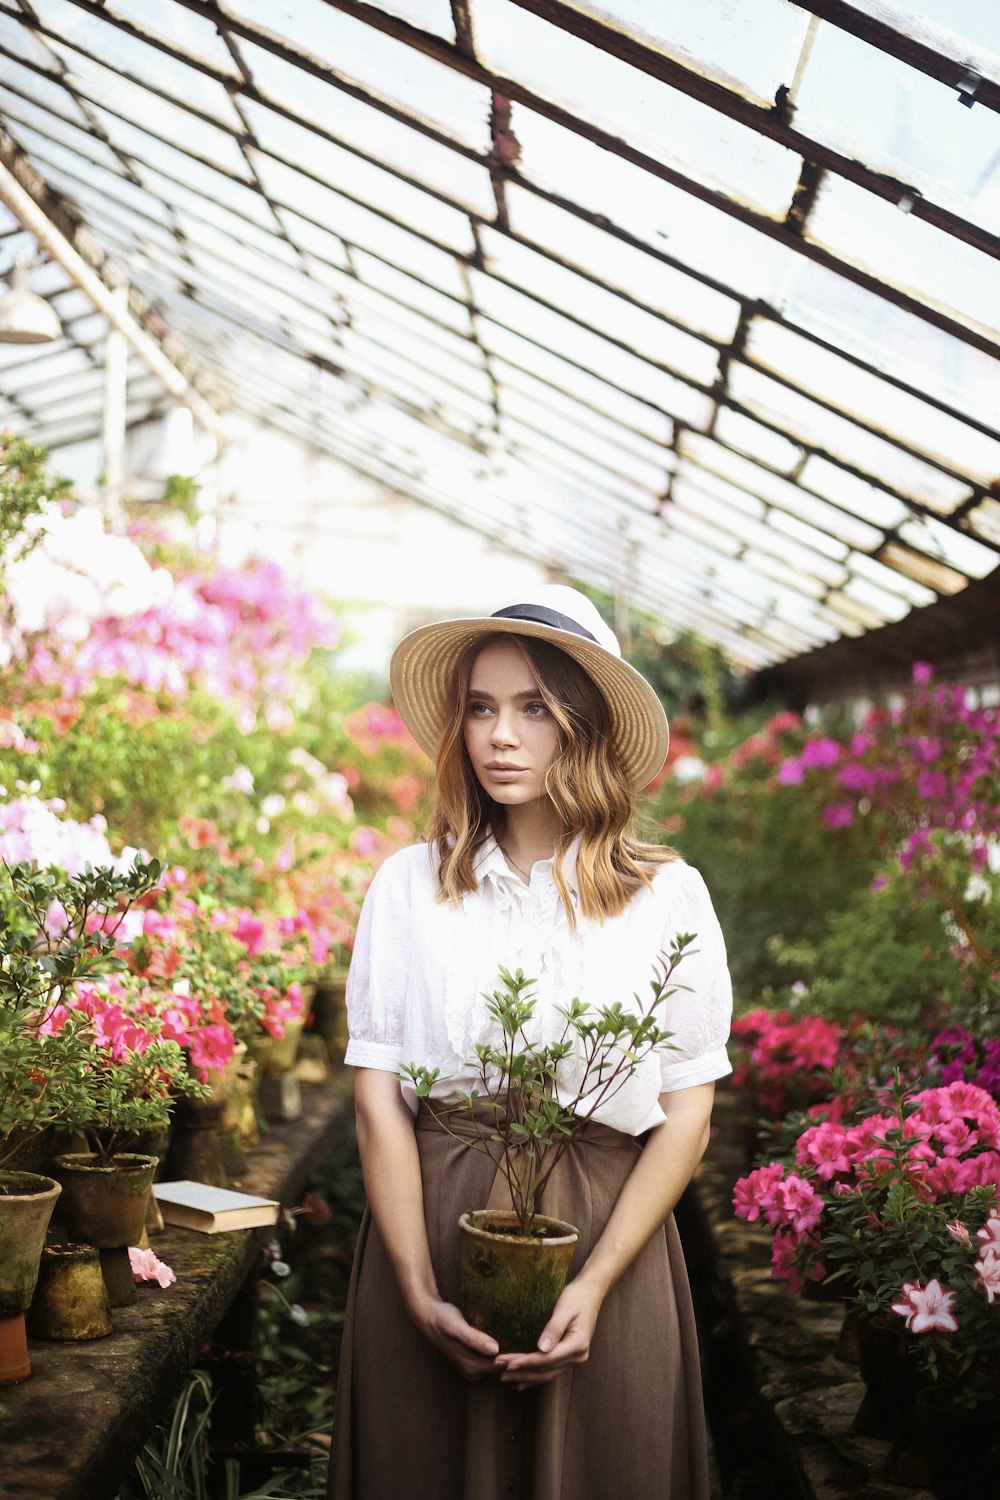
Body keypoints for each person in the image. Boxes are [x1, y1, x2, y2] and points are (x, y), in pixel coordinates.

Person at [327, 585, 733, 1500]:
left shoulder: (667, 897)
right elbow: (378, 1096)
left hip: (607, 1244)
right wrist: (418, 1288)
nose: (499, 736)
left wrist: (591, 1285)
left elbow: (687, 1108)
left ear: (581, 725)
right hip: (430, 1229)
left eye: (533, 709)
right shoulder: (408, 885)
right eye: (480, 707)